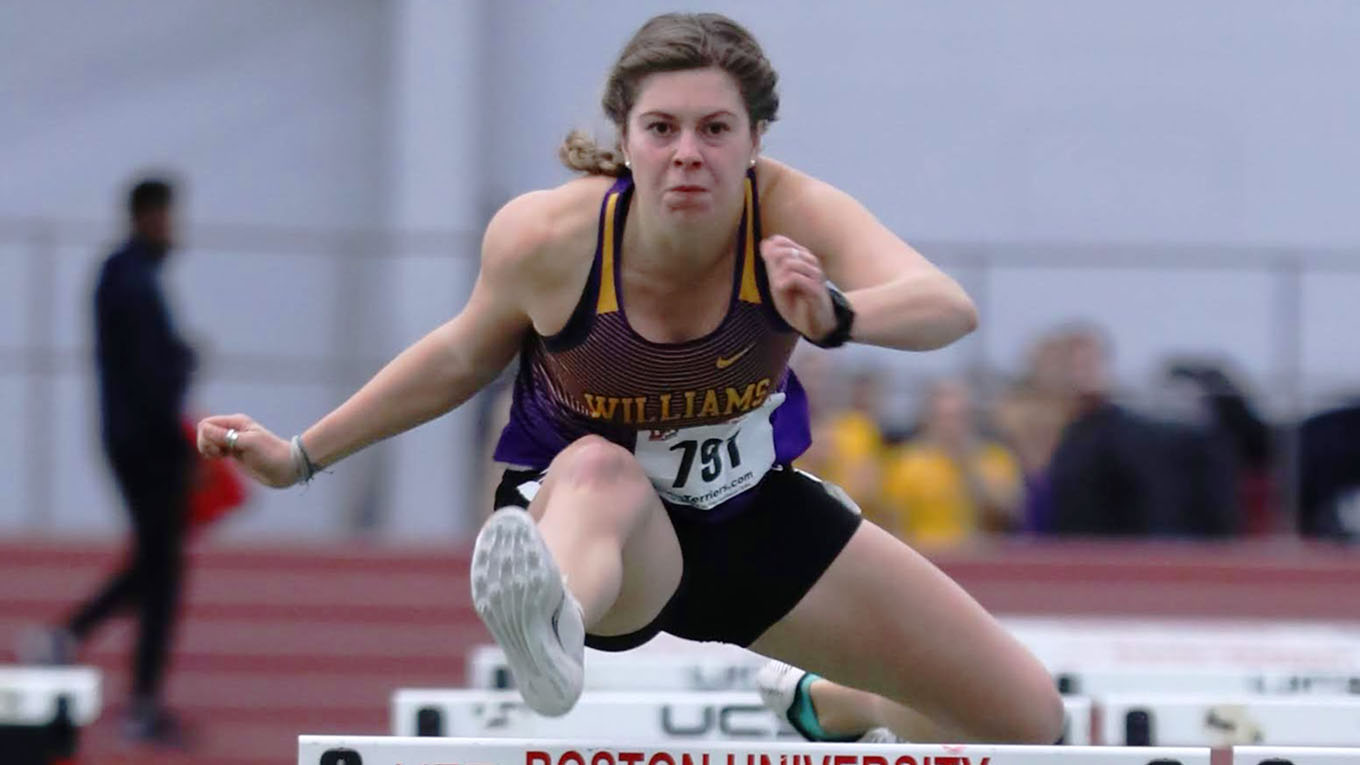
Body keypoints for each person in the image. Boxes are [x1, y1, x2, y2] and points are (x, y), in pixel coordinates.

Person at [196, 13, 1063, 744]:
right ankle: (550, 621)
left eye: (715, 129)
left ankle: (832, 702)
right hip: (607, 537)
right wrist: (301, 455)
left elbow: (945, 305)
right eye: (662, 128)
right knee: (602, 467)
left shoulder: (791, 212)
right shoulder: (549, 239)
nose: (688, 153)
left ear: (755, 140)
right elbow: (459, 356)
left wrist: (838, 315)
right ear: (624, 137)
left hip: (753, 513)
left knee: (1030, 721)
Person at [22, 177, 198, 744]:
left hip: (134, 439)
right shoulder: (131, 279)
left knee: (156, 564)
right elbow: (149, 374)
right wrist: (181, 373)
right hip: (145, 444)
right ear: (147, 216)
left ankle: (68, 641)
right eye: (167, 216)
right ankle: (135, 698)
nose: (174, 228)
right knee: (161, 569)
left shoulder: (125, 275)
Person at [879, 379, 1022, 546]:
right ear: (928, 419)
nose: (951, 427)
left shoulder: (995, 459)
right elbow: (893, 523)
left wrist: (970, 468)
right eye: (944, 418)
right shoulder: (905, 462)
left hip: (981, 555)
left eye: (959, 417)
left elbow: (1008, 516)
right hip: (924, 553)